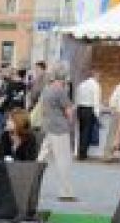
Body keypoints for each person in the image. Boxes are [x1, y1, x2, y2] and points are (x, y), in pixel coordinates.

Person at [35, 66, 76, 201]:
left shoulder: (46, 90)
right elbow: (68, 110)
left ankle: (31, 183)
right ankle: (66, 192)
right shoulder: (60, 91)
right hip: (59, 128)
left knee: (41, 158)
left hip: (47, 126)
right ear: (64, 78)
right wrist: (70, 124)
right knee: (63, 160)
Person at [74, 68, 102, 160]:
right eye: (99, 76)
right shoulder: (95, 85)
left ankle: (79, 151)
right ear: (96, 75)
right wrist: (97, 115)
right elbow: (96, 101)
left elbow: (77, 98)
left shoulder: (81, 84)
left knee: (81, 131)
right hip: (89, 110)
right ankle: (83, 154)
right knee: (87, 132)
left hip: (80, 108)